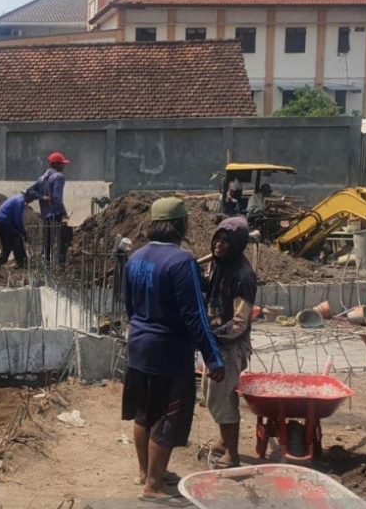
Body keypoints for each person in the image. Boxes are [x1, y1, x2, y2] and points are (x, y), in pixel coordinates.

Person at [122, 197, 225, 504]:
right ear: (181, 225)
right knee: (167, 418)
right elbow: (196, 317)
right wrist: (213, 357)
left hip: (138, 347)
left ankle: (145, 472)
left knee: (144, 413)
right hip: (169, 353)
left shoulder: (135, 257)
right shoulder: (182, 262)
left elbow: (128, 304)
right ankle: (153, 486)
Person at [204, 217, 257, 469]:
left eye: (226, 242)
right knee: (213, 396)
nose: (219, 245)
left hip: (230, 345)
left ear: (236, 245)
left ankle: (232, 454)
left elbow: (239, 323)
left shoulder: (243, 276)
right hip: (216, 342)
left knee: (224, 397)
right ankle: (225, 442)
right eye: (217, 239)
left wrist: (209, 337)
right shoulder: (220, 265)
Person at [30, 152, 69, 265]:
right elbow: (57, 198)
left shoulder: (41, 178)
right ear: (56, 165)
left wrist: (42, 197)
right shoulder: (59, 177)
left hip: (45, 215)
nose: (63, 166)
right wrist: (64, 212)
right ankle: (60, 267)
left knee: (47, 242)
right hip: (55, 215)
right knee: (60, 242)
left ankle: (46, 265)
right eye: (62, 164)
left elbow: (29, 191)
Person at [0, 190, 39, 269]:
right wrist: (23, 232)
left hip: (0, 220)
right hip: (3, 221)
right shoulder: (20, 201)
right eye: (32, 199)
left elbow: (15, 220)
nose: (31, 201)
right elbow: (17, 219)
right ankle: (22, 263)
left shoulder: (19, 198)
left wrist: (21, 231)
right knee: (17, 239)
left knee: (7, 244)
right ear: (29, 197)